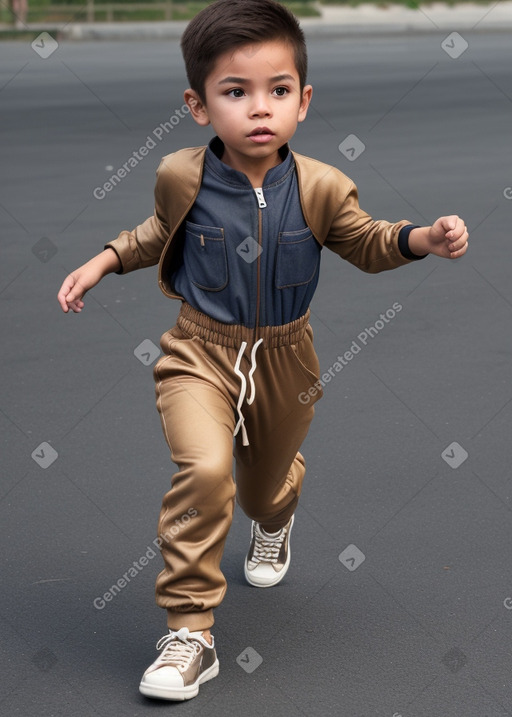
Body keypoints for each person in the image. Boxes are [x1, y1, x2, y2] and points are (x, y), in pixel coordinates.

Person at [57, 0, 469, 702]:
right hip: (198, 350)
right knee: (206, 470)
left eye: (278, 91)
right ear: (197, 104)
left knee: (260, 488)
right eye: (235, 91)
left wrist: (422, 238)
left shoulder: (322, 187)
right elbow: (159, 232)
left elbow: (366, 241)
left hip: (287, 361)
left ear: (303, 102)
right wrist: (103, 261)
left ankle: (275, 517)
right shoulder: (182, 176)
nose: (259, 108)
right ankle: (190, 632)